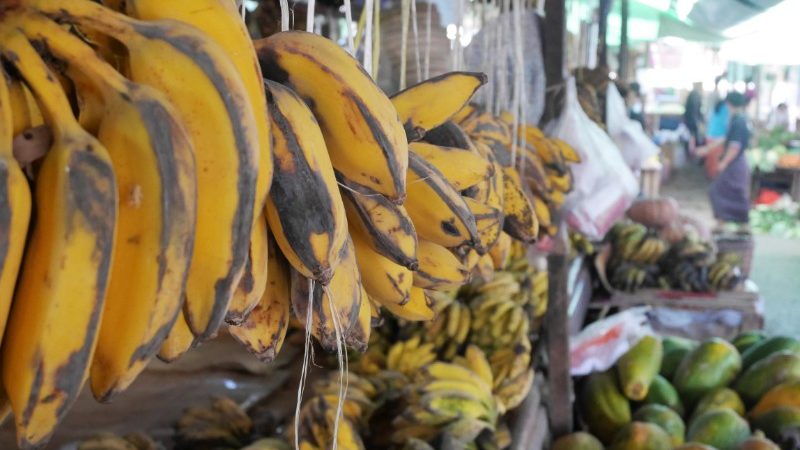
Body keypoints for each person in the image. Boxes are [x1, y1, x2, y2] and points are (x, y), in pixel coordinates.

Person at [708, 92, 752, 232]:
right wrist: (705, 149)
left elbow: (735, 146)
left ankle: (727, 224)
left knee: (719, 190)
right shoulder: (739, 119)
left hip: (735, 163)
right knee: (731, 192)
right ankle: (729, 223)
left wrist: (724, 163)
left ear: (729, 104)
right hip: (737, 163)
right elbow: (727, 139)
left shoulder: (739, 121)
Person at [684, 82, 705, 149]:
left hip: (689, 121)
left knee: (690, 138)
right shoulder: (696, 95)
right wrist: (698, 123)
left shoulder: (691, 94)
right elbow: (695, 111)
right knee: (694, 140)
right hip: (693, 122)